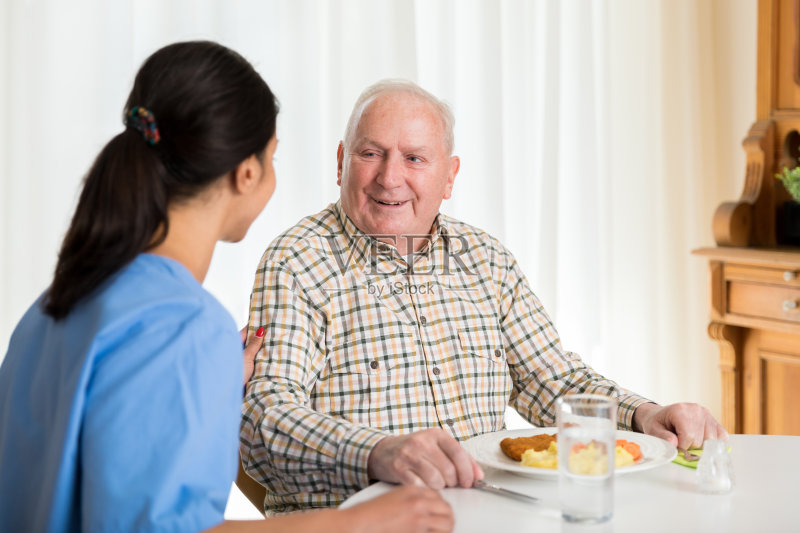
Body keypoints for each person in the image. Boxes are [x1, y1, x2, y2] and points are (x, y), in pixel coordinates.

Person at [0, 44, 453, 533]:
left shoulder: (51, 308)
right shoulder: (185, 327)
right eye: (273, 157)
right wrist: (357, 523)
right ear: (248, 173)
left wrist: (203, 385)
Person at [240, 79, 729, 513]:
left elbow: (551, 381)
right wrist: (377, 453)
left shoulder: (486, 259)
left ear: (449, 176)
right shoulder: (296, 261)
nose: (389, 178)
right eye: (371, 154)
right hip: (354, 526)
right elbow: (267, 420)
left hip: (487, 515)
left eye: (414, 158)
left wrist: (645, 414)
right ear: (343, 160)